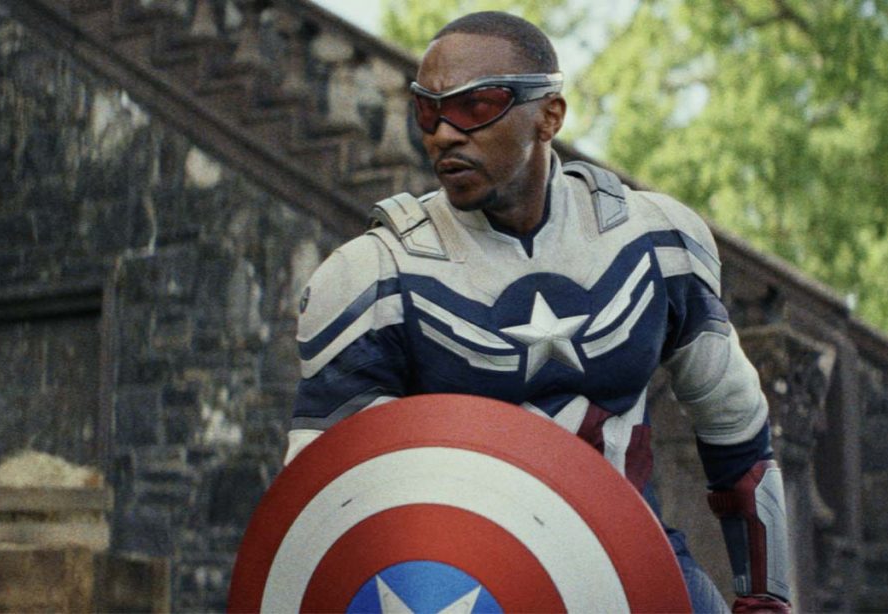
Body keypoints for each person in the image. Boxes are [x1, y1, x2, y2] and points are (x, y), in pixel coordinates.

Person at [286, 11, 791, 613]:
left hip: (635, 570)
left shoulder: (657, 244)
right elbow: (326, 504)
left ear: (550, 115)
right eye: (427, 111)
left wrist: (766, 599)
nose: (443, 134)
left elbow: (737, 435)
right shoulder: (373, 276)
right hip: (459, 592)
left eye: (475, 107)